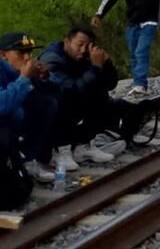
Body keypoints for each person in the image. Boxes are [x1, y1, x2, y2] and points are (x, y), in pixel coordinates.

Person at [40, 26, 122, 166]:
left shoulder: (84, 57)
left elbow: (110, 84)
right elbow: (71, 90)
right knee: (64, 100)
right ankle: (60, 150)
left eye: (87, 45)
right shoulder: (52, 59)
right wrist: (95, 67)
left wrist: (106, 63)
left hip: (71, 103)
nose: (83, 50)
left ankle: (83, 145)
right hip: (47, 110)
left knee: (100, 95)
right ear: (67, 42)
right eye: (79, 45)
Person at [91, 0, 160, 96]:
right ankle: (137, 81)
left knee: (141, 51)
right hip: (132, 22)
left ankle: (140, 85)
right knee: (133, 52)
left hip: (150, 21)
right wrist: (99, 14)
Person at [0, 33, 59, 183]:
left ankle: (29, 159)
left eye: (29, 53)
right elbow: (3, 104)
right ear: (3, 55)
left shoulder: (18, 68)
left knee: (47, 103)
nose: (27, 58)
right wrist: (24, 78)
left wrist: (45, 77)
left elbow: (59, 91)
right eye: (20, 53)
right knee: (16, 112)